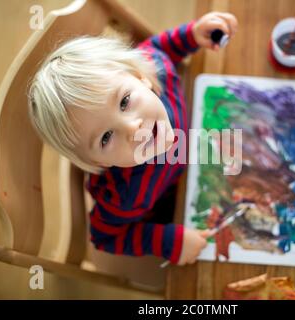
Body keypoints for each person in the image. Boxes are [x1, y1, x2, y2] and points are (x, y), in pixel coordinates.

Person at [28, 11, 238, 266]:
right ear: (96, 161)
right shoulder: (123, 196)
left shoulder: (157, 68)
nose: (133, 128)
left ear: (140, 77)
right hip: (172, 202)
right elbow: (105, 238)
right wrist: (168, 242)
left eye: (125, 101)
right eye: (106, 138)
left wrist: (191, 35)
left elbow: (159, 47)